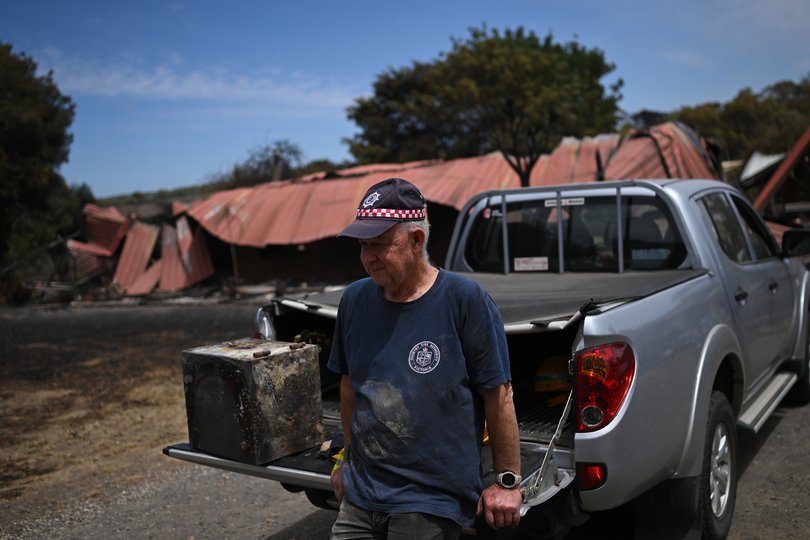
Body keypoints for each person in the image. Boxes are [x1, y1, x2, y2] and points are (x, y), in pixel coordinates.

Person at [327, 177, 522, 539]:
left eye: (379, 245)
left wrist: (507, 482)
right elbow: (350, 388)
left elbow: (498, 396)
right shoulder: (354, 301)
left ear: (416, 240)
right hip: (362, 495)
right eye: (362, 246)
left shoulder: (464, 300)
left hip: (431, 499)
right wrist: (344, 460)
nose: (367, 258)